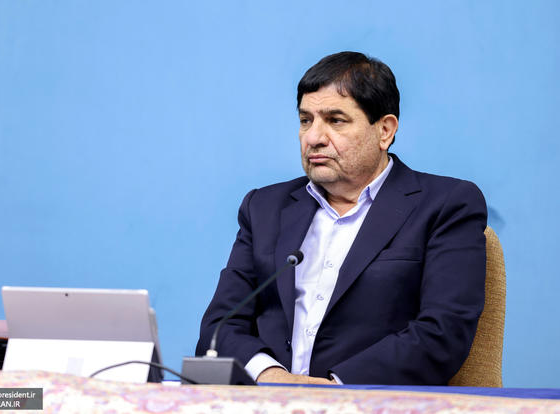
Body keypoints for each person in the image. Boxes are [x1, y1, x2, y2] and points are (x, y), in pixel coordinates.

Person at [195, 51, 487, 385]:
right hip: (266, 398)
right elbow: (219, 326)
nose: (313, 137)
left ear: (385, 130)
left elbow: (443, 331)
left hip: (372, 402)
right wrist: (272, 377)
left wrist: (335, 387)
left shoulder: (445, 205)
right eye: (306, 120)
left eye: (335, 120)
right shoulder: (264, 207)